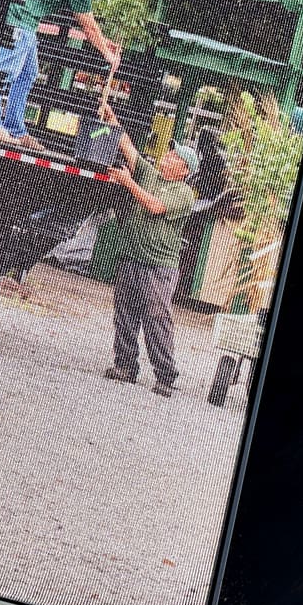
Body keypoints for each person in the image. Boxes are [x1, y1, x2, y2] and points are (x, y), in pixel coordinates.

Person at [99, 102, 199, 398]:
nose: (165, 157)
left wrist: (128, 183)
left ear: (183, 170)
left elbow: (155, 206)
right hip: (131, 255)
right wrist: (110, 115)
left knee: (156, 317)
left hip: (158, 265)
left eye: (172, 156)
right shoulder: (150, 173)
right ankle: (125, 366)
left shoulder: (184, 193)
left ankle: (167, 376)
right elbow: (127, 146)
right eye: (168, 153)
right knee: (125, 312)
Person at [0, 0, 125, 151]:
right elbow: (89, 27)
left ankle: (15, 128)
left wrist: (105, 42)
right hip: (18, 19)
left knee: (27, 74)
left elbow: (87, 23)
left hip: (26, 20)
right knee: (5, 73)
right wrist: (108, 55)